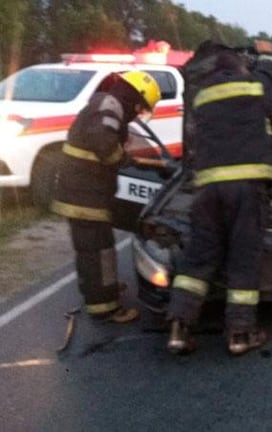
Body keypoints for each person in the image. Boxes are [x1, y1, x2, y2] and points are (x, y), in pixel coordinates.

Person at [166, 40, 272, 356]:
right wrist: (268, 56)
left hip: (207, 189)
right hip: (245, 187)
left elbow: (194, 140)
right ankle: (240, 334)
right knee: (243, 258)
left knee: (198, 257)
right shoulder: (251, 88)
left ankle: (178, 328)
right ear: (239, 69)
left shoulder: (202, 97)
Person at [51, 71, 161, 323]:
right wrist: (121, 160)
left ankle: (102, 287)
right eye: (141, 108)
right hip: (84, 195)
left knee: (95, 248)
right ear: (135, 99)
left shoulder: (105, 103)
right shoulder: (109, 106)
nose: (138, 113)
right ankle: (105, 307)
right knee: (96, 250)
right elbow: (102, 140)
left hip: (83, 192)